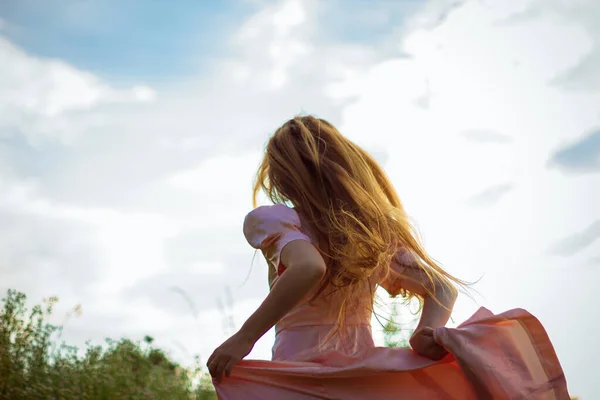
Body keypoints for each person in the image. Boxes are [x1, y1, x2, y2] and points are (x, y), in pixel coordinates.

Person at [207, 116, 569, 399]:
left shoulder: (275, 219)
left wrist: (244, 338)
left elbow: (309, 267)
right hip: (361, 378)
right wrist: (425, 332)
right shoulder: (368, 237)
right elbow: (441, 288)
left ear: (283, 176)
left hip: (298, 371)